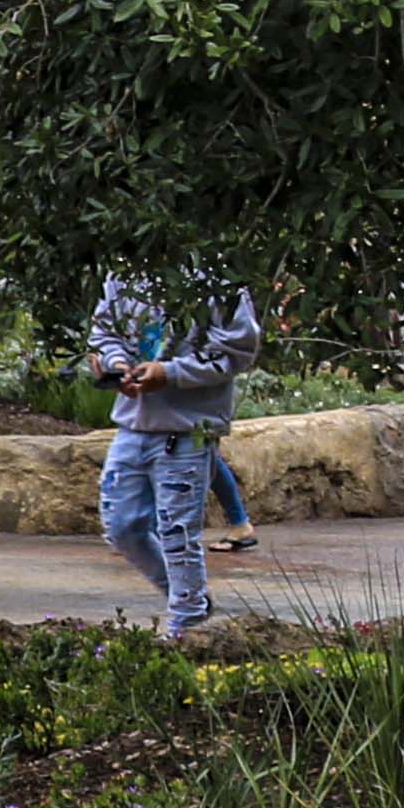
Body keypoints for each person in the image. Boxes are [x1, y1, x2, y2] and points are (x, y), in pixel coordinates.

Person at [87, 268, 256, 635]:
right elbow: (104, 333)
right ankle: (190, 601)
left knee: (178, 532)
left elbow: (237, 352)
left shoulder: (220, 279)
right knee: (121, 525)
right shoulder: (125, 275)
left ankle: (186, 624)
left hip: (188, 430)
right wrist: (117, 367)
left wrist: (171, 373)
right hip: (134, 425)